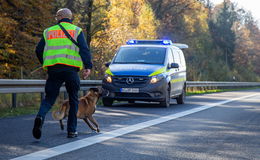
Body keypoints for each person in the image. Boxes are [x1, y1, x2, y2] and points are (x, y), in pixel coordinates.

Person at [32, 8, 92, 139]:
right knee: (73, 99)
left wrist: (45, 63)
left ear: (59, 17)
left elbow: (38, 50)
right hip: (71, 71)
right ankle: (72, 131)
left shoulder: (48, 31)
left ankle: (40, 117)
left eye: (56, 17)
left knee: (49, 98)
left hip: (54, 70)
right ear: (70, 18)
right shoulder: (77, 31)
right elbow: (84, 49)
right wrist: (88, 66)